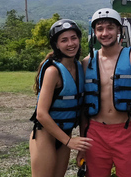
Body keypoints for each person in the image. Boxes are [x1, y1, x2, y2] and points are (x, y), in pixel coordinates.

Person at [78, 8, 131, 177]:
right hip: (94, 134)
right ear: (94, 33)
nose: (105, 33)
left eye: (110, 28)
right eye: (100, 29)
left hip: (125, 132)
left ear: (119, 30)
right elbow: (84, 106)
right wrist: (82, 144)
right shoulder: (87, 63)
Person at [29, 19, 93, 177]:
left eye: (74, 38)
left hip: (65, 134)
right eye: (64, 40)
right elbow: (41, 114)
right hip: (46, 136)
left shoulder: (80, 67)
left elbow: (83, 110)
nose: (70, 43)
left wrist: (78, 144)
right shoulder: (53, 71)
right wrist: (69, 141)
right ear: (56, 45)